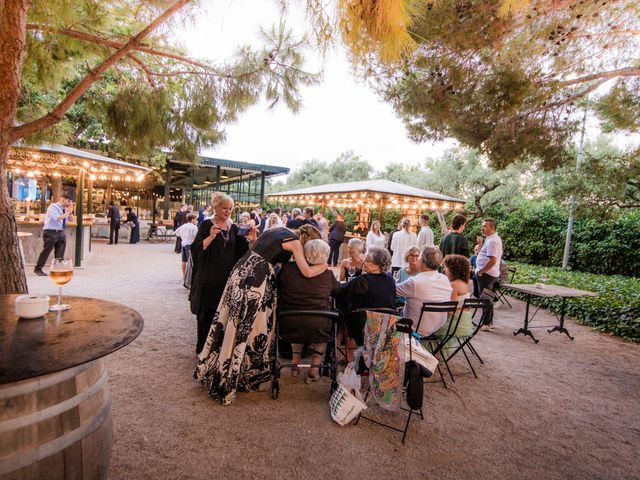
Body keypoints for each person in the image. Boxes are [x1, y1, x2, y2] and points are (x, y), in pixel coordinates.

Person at [195, 224, 326, 405]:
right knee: (251, 326)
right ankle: (242, 375)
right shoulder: (295, 243)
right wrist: (325, 265)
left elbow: (255, 246)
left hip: (241, 270)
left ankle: (224, 365)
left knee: (234, 321)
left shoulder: (278, 230)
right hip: (257, 278)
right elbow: (308, 272)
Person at [189, 194, 253, 354]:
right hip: (208, 279)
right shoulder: (205, 225)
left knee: (224, 315)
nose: (228, 211)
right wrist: (211, 237)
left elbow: (242, 253)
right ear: (216, 208)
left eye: (230, 208)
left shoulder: (234, 228)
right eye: (225, 208)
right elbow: (196, 249)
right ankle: (202, 349)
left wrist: (251, 241)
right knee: (206, 315)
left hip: (227, 280)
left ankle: (218, 349)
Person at [277, 239, 340, 383]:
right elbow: (338, 292)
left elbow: (278, 286)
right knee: (323, 328)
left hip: (289, 322)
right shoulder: (328, 275)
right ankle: (314, 369)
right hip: (319, 323)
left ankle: (295, 363)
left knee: (299, 320)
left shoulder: (287, 269)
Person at [337, 246, 397, 346]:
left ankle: (347, 355)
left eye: (367, 261)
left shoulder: (363, 280)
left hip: (363, 325)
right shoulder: (390, 280)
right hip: (385, 327)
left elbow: (342, 292)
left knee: (341, 314)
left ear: (377, 266)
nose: (364, 263)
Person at [396, 246, 452, 337]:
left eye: (418, 257)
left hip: (414, 328)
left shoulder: (414, 282)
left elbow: (391, 290)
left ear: (422, 261)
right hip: (437, 327)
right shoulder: (445, 279)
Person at [436, 254, 473, 357]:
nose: (444, 270)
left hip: (455, 323)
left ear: (453, 269)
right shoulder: (463, 283)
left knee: (427, 326)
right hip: (463, 321)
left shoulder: (454, 285)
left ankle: (430, 357)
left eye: (446, 267)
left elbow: (450, 309)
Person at [473, 218, 503, 331]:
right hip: (487, 274)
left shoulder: (493, 241)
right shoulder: (490, 239)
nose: (482, 228)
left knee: (485, 299)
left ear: (492, 228)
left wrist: (482, 271)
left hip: (487, 275)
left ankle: (486, 324)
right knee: (487, 298)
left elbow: (493, 260)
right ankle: (489, 322)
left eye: (485, 226)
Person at [34, 194, 74, 276]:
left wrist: (70, 212)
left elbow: (72, 220)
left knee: (60, 253)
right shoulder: (53, 207)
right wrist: (67, 213)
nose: (70, 203)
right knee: (46, 251)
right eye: (68, 201)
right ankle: (38, 269)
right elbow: (57, 217)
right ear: (62, 200)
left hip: (61, 232)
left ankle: (57, 270)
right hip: (51, 232)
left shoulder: (65, 209)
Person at [175, 212, 198, 277]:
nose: (196, 220)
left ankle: (184, 275)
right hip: (190, 245)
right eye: (196, 219)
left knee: (184, 261)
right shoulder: (194, 227)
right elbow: (196, 237)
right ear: (192, 219)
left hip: (184, 244)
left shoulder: (184, 226)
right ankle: (189, 276)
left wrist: (183, 236)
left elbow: (177, 232)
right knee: (190, 261)